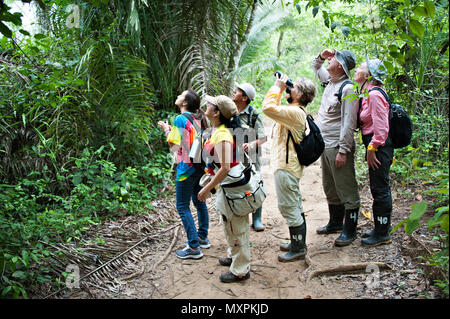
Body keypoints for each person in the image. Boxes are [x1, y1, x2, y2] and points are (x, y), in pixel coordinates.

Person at [262, 73, 317, 262]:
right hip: (287, 165)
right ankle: (297, 242)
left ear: (300, 94)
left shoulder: (294, 113)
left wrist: (278, 86)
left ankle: (298, 247)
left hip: (287, 167)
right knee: (294, 204)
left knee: (288, 206)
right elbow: (275, 108)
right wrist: (282, 89)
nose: (290, 88)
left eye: (294, 88)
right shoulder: (293, 110)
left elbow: (267, 108)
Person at [196, 95, 251, 283]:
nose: (207, 106)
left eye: (211, 105)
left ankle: (241, 269)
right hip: (227, 186)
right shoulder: (217, 129)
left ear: (217, 112)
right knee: (230, 223)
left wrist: (206, 189)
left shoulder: (223, 134)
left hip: (232, 186)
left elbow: (226, 166)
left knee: (237, 226)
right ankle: (233, 256)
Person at [312, 49, 361, 247]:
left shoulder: (348, 89)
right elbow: (316, 66)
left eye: (333, 58)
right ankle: (335, 223)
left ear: (340, 65)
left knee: (346, 187)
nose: (329, 60)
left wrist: (343, 150)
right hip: (325, 144)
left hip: (337, 145)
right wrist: (321, 55)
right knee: (329, 186)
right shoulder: (331, 82)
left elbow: (349, 122)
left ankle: (350, 230)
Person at [157, 89, 210, 260]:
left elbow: (174, 145)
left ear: (185, 103)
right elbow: (190, 140)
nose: (178, 95)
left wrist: (166, 130)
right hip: (199, 167)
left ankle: (193, 246)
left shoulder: (180, 118)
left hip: (186, 168)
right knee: (199, 201)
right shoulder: (199, 118)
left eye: (181, 95)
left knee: (182, 206)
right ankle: (202, 237)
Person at [354, 57, 393, 246]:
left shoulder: (375, 94)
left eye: (361, 67)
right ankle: (380, 227)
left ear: (368, 74)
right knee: (377, 186)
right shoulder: (369, 93)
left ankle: (383, 233)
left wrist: (372, 148)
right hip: (375, 144)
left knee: (380, 188)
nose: (357, 69)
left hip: (378, 145)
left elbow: (382, 128)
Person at [232, 82, 268, 231]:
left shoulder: (254, 115)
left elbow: (263, 137)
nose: (234, 91)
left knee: (254, 184)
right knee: (236, 185)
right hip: (234, 157)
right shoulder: (231, 112)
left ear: (245, 97)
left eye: (238, 91)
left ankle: (257, 219)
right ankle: (240, 217)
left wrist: (252, 144)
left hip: (251, 157)